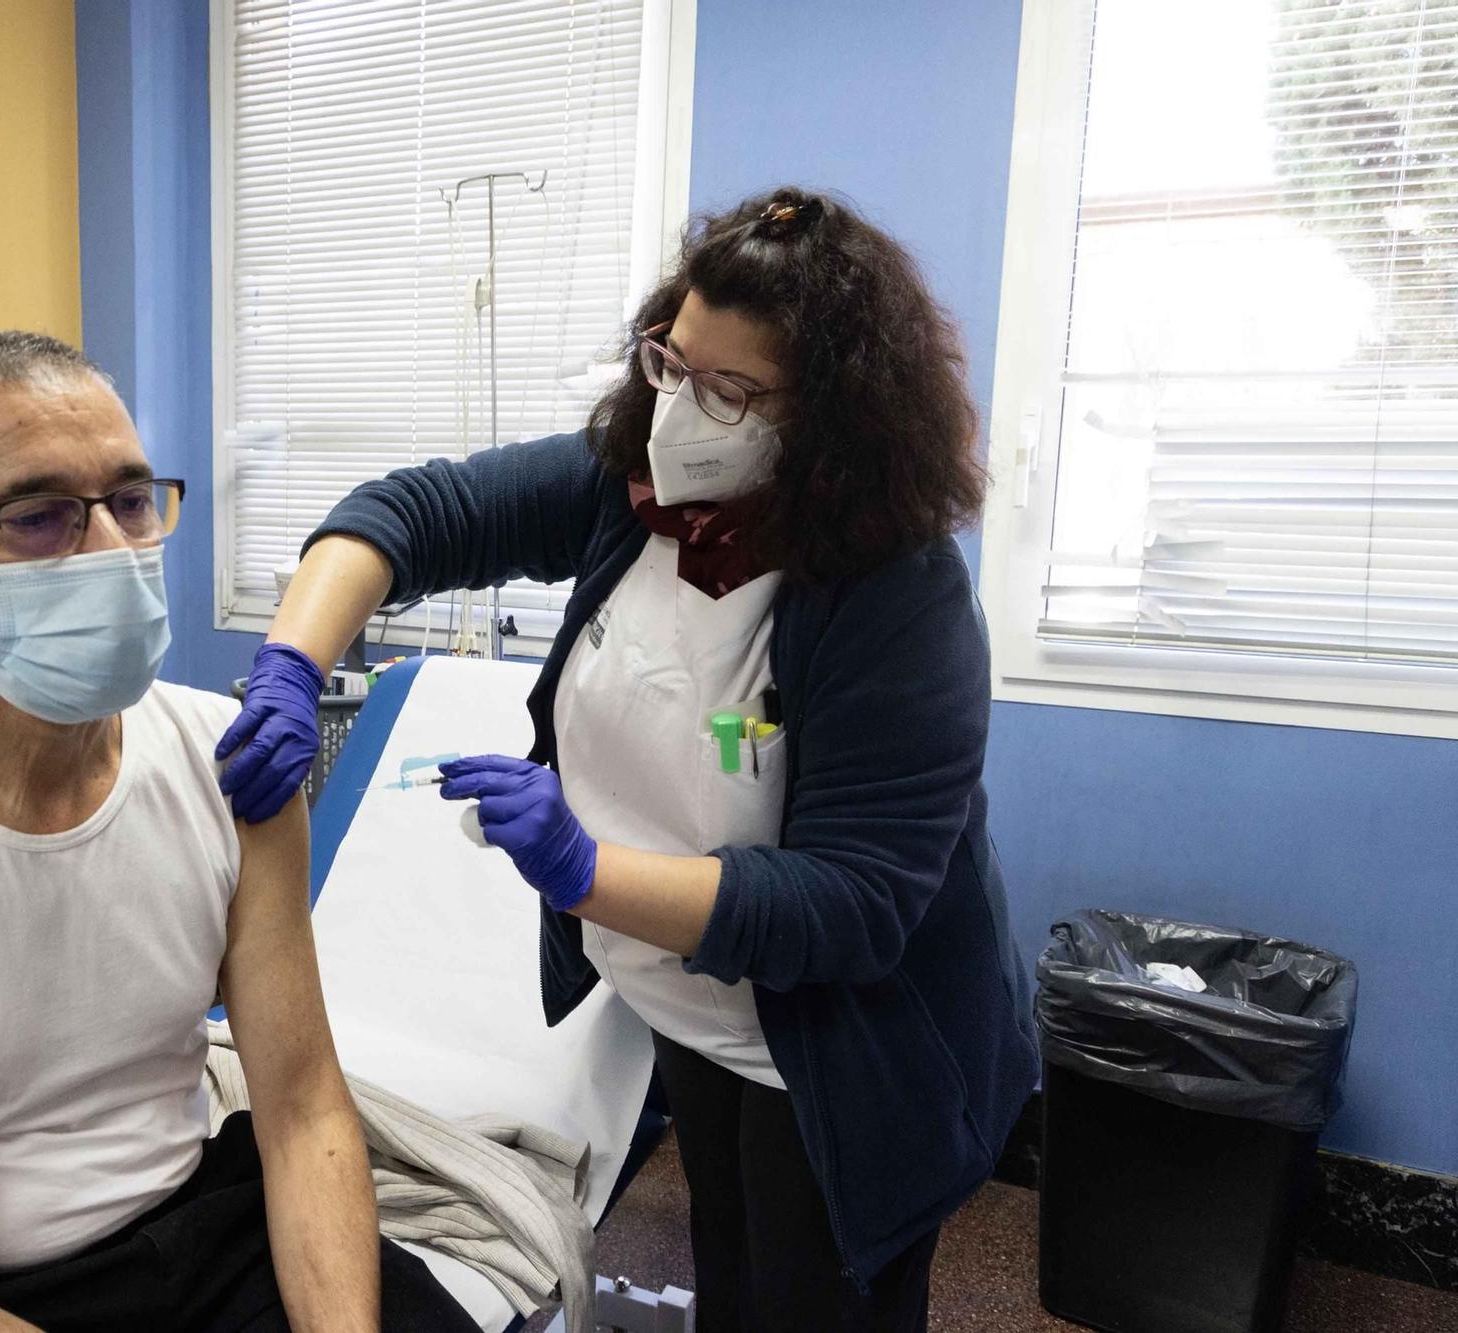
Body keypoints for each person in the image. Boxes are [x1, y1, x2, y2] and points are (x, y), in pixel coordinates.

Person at [218, 189, 1042, 1333]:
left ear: (831, 418)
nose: (678, 410)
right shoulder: (630, 489)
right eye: (668, 360)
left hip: (852, 1048)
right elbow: (410, 512)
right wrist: (289, 668)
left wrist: (580, 868)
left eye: (730, 391)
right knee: (732, 1278)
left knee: (817, 1300)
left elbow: (853, 905)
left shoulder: (896, 597)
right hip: (691, 1000)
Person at [0, 332, 473, 1333]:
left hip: (202, 1238)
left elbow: (303, 1105)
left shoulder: (228, 765)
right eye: (39, 514)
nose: (111, 550)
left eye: (132, 500)